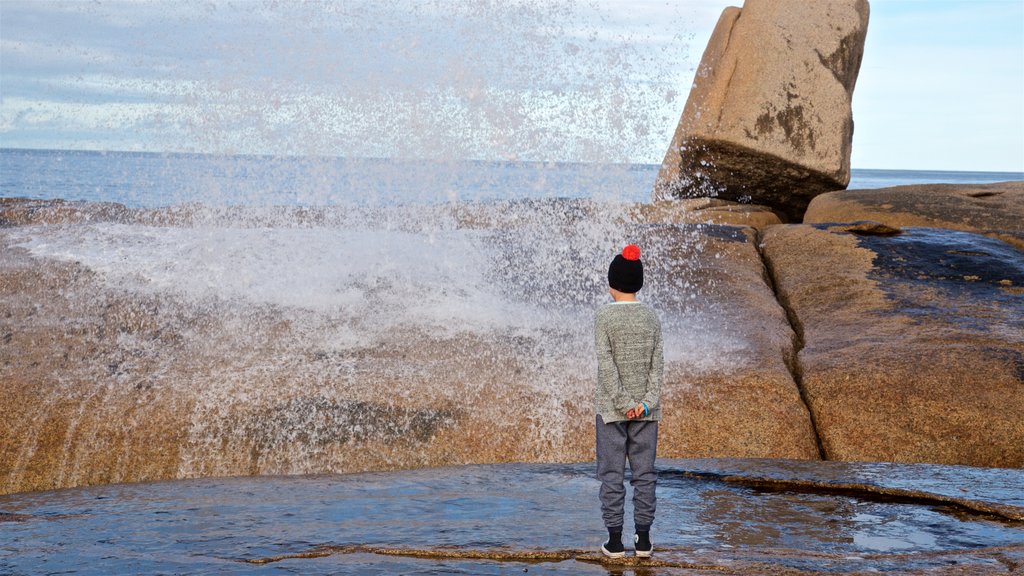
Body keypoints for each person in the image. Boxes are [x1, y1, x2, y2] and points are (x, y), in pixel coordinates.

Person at [594, 243, 663, 559]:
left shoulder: (603, 317)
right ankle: (645, 541)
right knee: (644, 474)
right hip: (646, 412)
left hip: (611, 411)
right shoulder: (651, 316)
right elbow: (657, 364)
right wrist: (645, 403)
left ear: (612, 284)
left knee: (611, 474)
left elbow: (606, 364)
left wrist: (623, 403)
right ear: (638, 283)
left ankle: (614, 542)